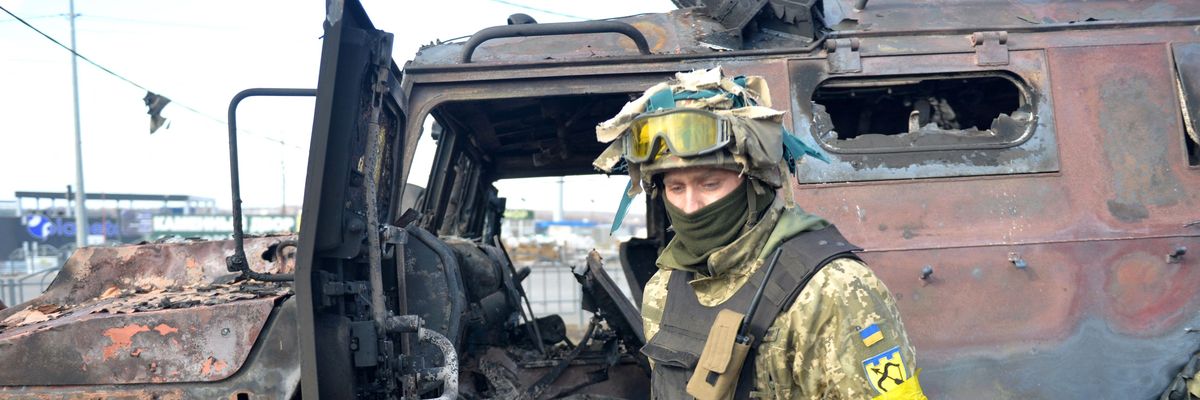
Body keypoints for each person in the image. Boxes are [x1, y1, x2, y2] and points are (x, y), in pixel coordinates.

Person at [592, 68, 926, 400]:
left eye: (710, 183)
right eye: (675, 187)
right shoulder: (664, 287)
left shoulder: (833, 287)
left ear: (755, 183)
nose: (690, 205)